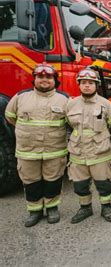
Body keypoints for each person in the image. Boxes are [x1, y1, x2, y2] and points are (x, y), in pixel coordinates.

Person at [5, 63, 68, 227]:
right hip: (28, 151)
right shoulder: (20, 97)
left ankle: (52, 208)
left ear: (55, 80)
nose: (44, 80)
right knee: (30, 181)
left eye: (48, 77)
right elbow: (10, 117)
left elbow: (71, 122)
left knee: (53, 180)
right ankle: (35, 211)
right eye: (40, 77)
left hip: (54, 150)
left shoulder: (64, 99)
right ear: (34, 79)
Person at [66, 68, 111, 223]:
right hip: (78, 151)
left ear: (97, 85)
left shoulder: (106, 104)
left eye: (91, 83)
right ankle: (85, 208)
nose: (87, 86)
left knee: (104, 183)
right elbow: (68, 125)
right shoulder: (71, 104)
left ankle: (106, 207)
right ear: (79, 85)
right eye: (84, 83)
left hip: (100, 152)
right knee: (80, 184)